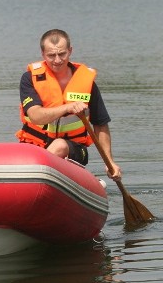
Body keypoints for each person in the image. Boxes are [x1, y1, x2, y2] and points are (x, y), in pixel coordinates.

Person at [17, 29, 122, 181]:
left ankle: (30, 177)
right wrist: (68, 107)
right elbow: (35, 116)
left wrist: (109, 162)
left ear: (70, 51)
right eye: (51, 55)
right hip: (35, 147)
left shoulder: (86, 82)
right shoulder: (29, 79)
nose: (57, 60)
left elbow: (100, 124)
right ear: (42, 54)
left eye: (62, 54)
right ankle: (30, 176)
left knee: (60, 145)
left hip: (74, 150)